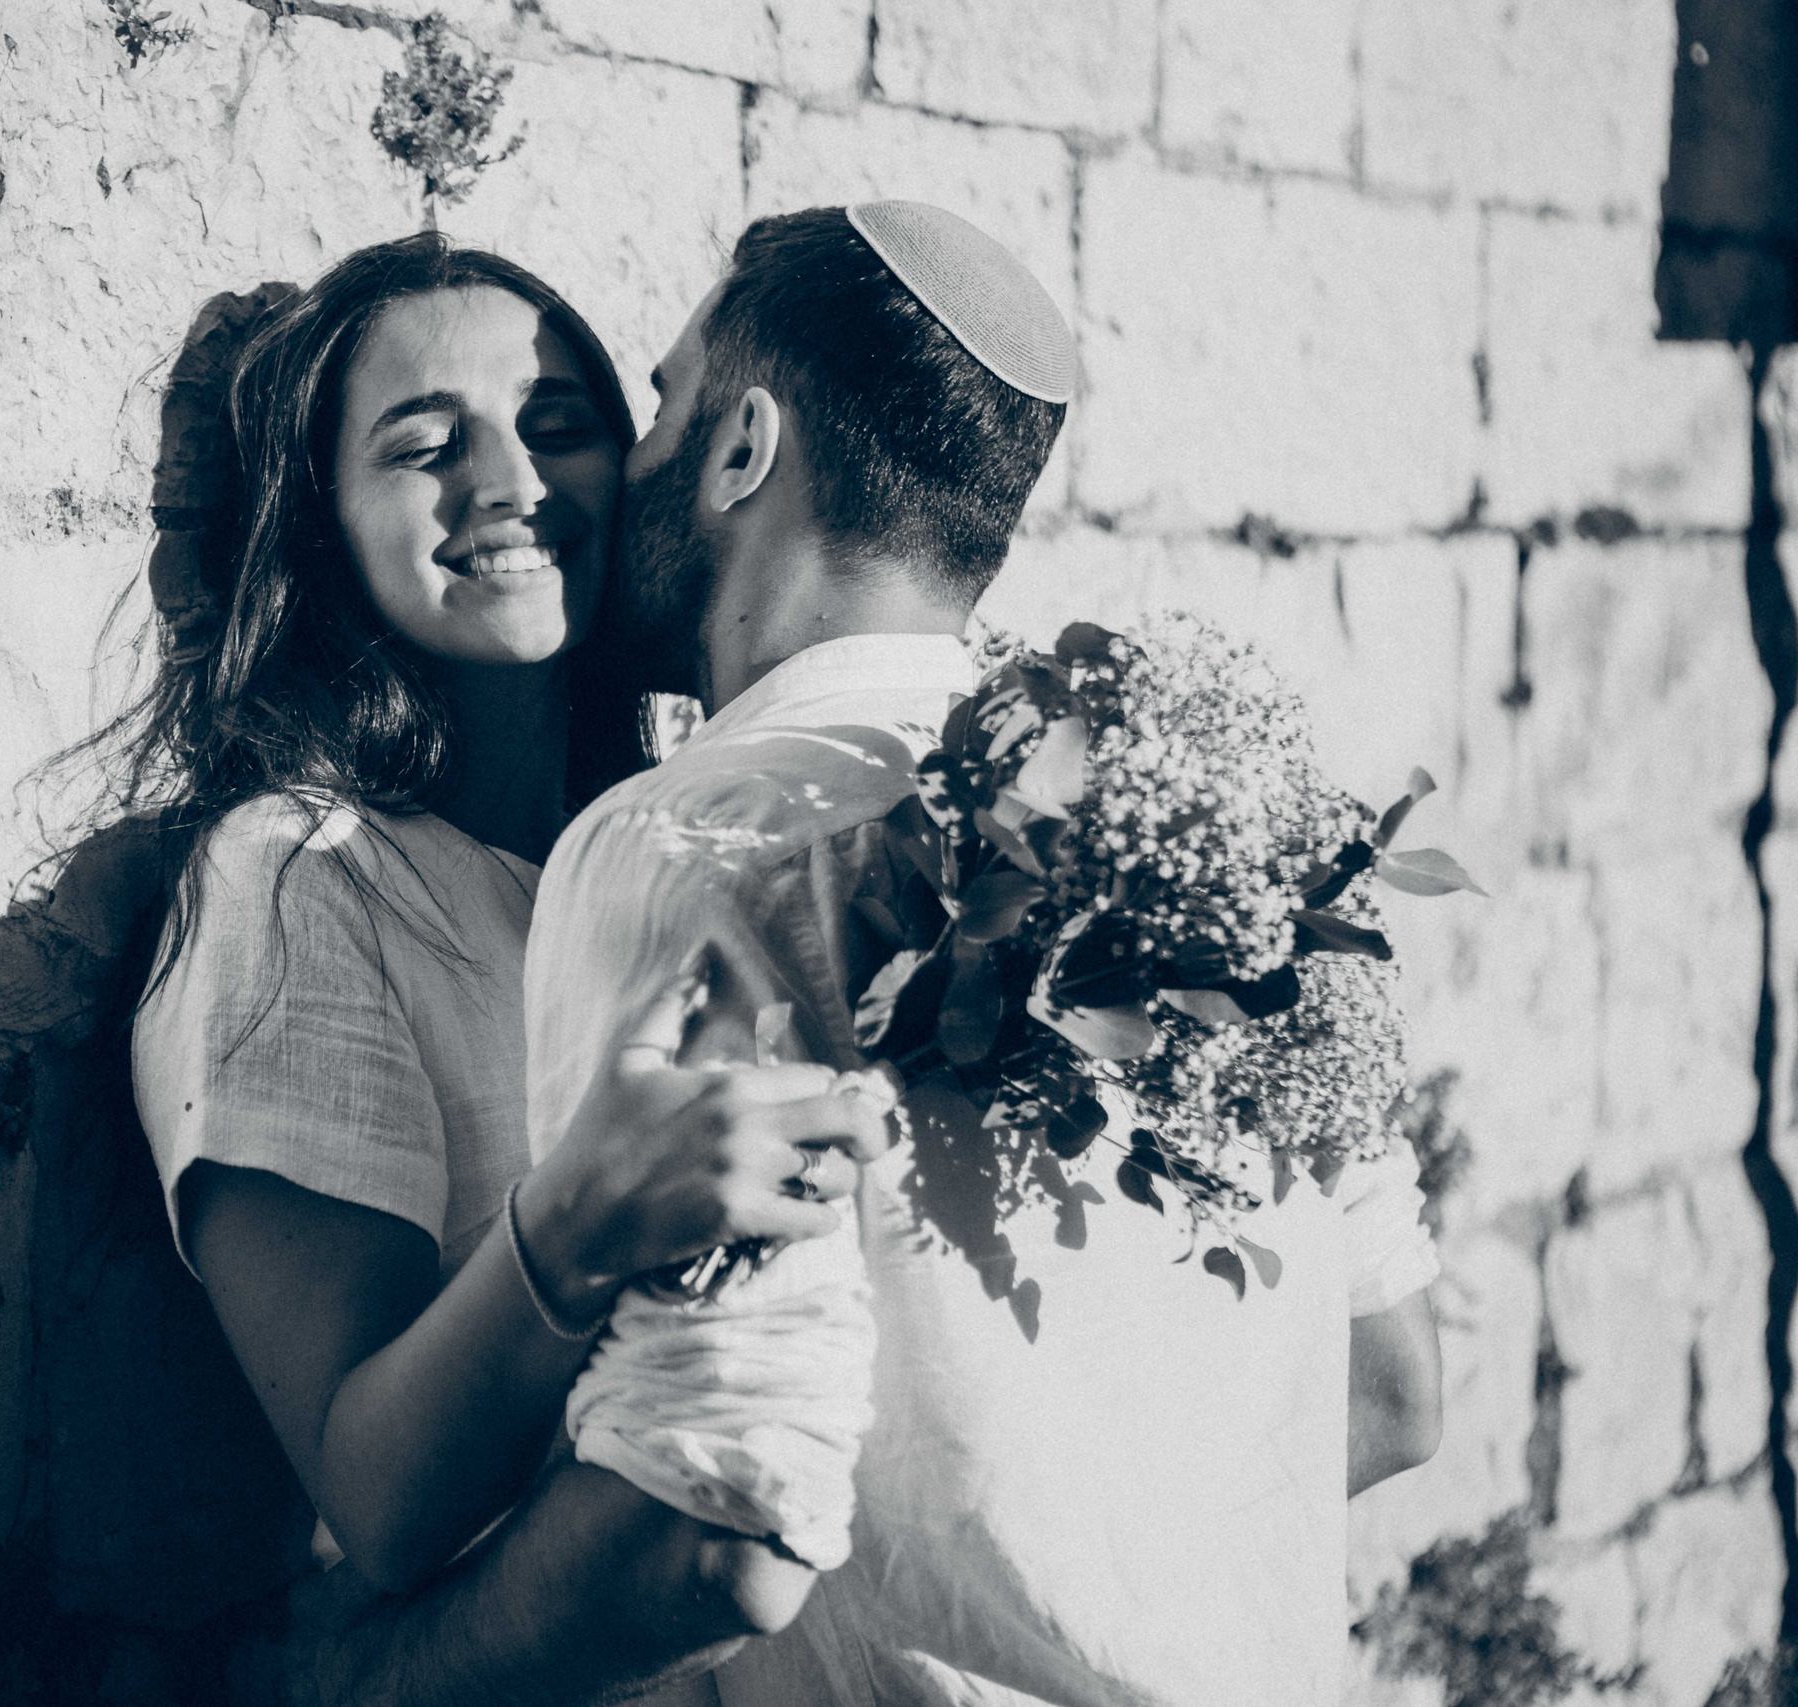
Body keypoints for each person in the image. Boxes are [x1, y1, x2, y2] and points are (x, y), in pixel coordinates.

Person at [520, 202, 1448, 1704]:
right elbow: (1398, 1397)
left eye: (662, 407)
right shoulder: (1211, 828)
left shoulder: (690, 844)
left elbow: (693, 1524)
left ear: (743, 447)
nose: (631, 465)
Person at [112, 231, 893, 1693]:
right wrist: (577, 1220)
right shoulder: (298, 879)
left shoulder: (681, 854)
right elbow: (380, 1500)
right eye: (424, 448)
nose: (513, 486)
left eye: (558, 430)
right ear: (321, 524)